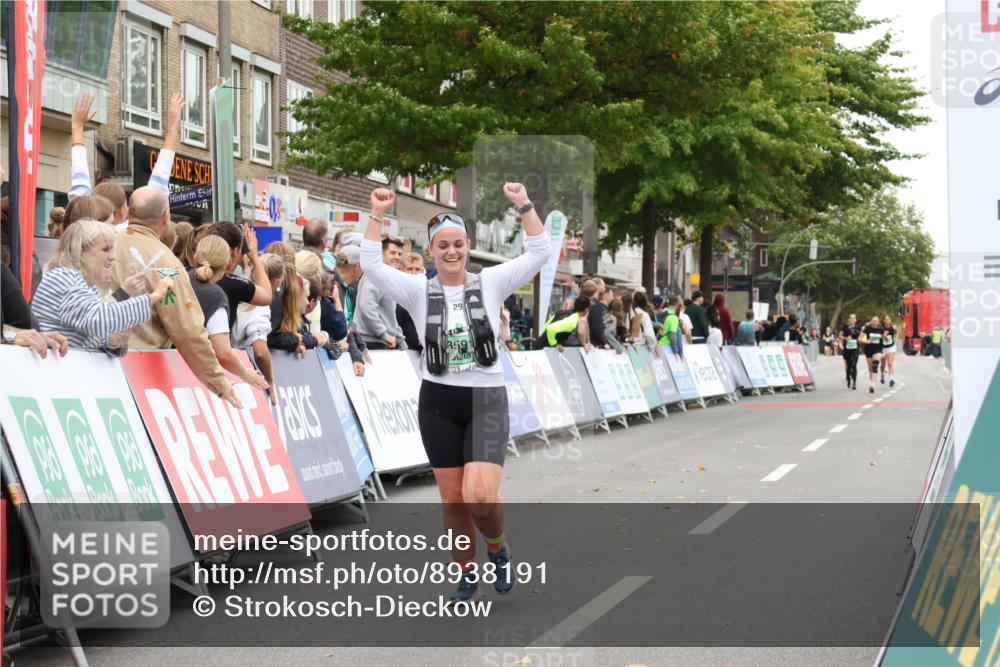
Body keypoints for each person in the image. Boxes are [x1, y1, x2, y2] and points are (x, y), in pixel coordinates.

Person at [359, 183, 549, 605]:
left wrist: (524, 205)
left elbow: (539, 252)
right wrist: (376, 213)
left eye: (458, 244)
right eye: (442, 245)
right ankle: (465, 573)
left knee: (479, 494)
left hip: (485, 399)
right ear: (431, 251)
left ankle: (497, 548)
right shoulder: (415, 289)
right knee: (453, 501)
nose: (451, 252)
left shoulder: (492, 281)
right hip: (439, 403)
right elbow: (369, 263)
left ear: (468, 247)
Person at [110, 186, 241, 409]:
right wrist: (219, 383)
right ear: (166, 217)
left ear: (128, 213)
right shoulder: (168, 265)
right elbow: (188, 332)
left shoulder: (101, 245)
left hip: (88, 362)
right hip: (139, 375)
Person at [32, 218, 170, 355]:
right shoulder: (62, 277)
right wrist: (155, 296)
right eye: (105, 250)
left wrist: (111, 341)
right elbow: (96, 319)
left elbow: (88, 331)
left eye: (112, 250)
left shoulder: (87, 287)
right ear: (80, 253)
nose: (113, 257)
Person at [69, 92, 183, 229]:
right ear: (125, 212)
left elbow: (78, 187)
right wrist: (172, 129)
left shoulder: (82, 230)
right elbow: (158, 186)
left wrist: (77, 126)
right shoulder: (128, 234)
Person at [189, 235, 269, 391]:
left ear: (194, 258)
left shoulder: (181, 279)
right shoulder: (215, 296)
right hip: (200, 375)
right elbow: (223, 353)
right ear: (227, 265)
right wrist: (245, 373)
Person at [234, 253, 286, 404]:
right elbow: (261, 351)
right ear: (277, 282)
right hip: (239, 372)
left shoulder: (239, 290)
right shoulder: (260, 307)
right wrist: (269, 379)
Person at [206, 222, 273, 329]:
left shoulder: (190, 275)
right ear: (235, 251)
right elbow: (267, 296)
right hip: (219, 345)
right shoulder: (233, 284)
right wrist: (254, 257)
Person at [355, 238, 407, 350]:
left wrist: (400, 340)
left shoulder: (388, 278)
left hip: (381, 341)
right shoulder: (374, 276)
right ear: (382, 254)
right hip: (370, 342)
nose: (397, 257)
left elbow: (390, 316)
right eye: (393, 253)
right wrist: (384, 334)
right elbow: (367, 308)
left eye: (399, 254)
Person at [397, 251, 426, 351]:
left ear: (422, 271)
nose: (414, 273)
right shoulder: (394, 292)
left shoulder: (428, 293)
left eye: (417, 269)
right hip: (402, 350)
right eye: (410, 269)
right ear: (401, 270)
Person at [860, 315, 884, 394]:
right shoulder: (867, 329)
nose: (874, 322)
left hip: (878, 349)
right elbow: (859, 339)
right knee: (870, 370)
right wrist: (866, 341)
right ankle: (872, 382)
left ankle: (873, 385)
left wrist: (886, 336)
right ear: (871, 321)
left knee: (875, 365)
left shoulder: (881, 329)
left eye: (876, 321)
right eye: (873, 321)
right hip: (868, 349)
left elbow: (885, 338)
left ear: (878, 322)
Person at [839, 314, 862, 390]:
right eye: (851, 318)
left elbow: (862, 334)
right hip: (847, 348)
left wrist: (859, 338)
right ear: (849, 319)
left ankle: (854, 383)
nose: (852, 319)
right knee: (848, 366)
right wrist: (845, 338)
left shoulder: (858, 327)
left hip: (855, 348)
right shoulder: (845, 327)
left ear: (856, 320)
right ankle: (848, 380)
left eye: (854, 318)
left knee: (854, 364)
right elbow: (840, 336)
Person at [881, 314, 898, 387]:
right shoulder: (881, 329)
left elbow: (897, 331)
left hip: (891, 347)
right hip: (882, 348)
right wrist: (884, 336)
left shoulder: (893, 327)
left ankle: (891, 379)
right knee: (883, 365)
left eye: (888, 319)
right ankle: (882, 374)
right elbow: (881, 338)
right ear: (884, 321)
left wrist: (896, 338)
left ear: (890, 320)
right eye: (886, 319)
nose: (887, 320)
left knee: (890, 363)